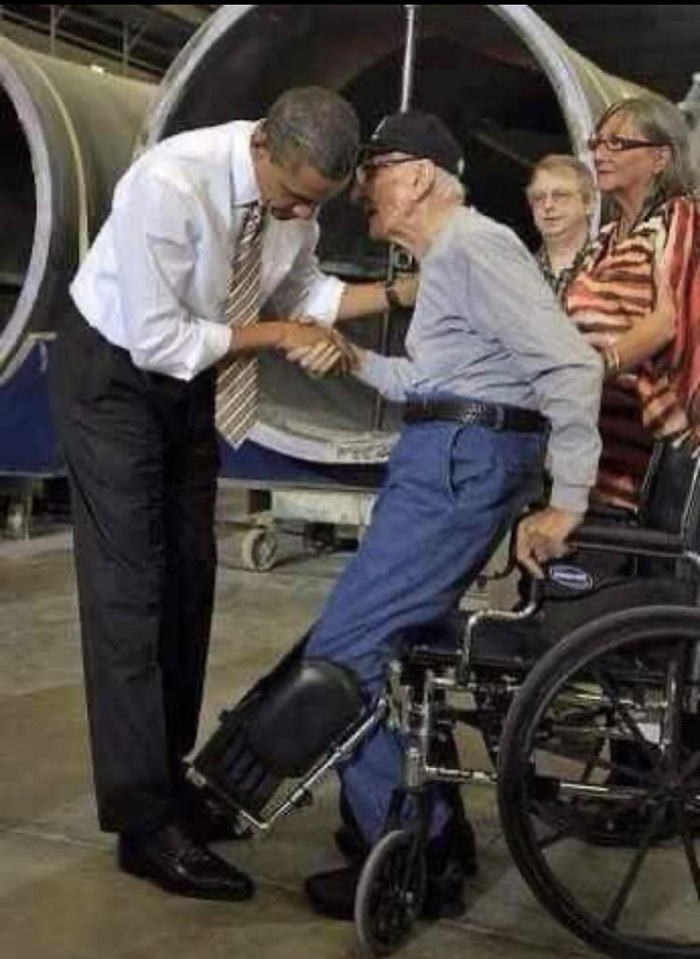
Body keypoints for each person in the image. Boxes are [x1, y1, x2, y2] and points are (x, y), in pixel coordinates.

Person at [49, 86, 418, 903]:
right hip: (114, 375)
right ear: (262, 146)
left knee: (190, 580)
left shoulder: (297, 203)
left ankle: (169, 783)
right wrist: (282, 336)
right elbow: (159, 336)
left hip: (192, 383)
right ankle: (144, 825)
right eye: (289, 195)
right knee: (130, 594)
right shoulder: (170, 183)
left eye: (314, 203)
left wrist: (402, 292)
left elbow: (305, 295)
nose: (297, 211)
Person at [277, 110, 603, 918]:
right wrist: (351, 358)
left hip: (458, 468)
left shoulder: (475, 245)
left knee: (343, 656)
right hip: (444, 457)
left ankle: (416, 848)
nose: (362, 192)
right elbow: (433, 383)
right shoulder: (452, 258)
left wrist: (568, 499)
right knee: (373, 647)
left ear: (420, 174)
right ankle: (414, 825)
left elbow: (569, 367)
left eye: (375, 170)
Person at [565, 96, 700, 511]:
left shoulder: (679, 217)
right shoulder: (602, 240)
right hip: (601, 457)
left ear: (661, 157)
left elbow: (668, 322)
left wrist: (594, 368)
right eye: (596, 143)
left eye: (617, 144)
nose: (600, 154)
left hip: (666, 449)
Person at [526, 154, 596, 302]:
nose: (548, 205)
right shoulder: (518, 273)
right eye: (538, 197)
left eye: (560, 195)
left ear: (589, 203)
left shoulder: (611, 266)